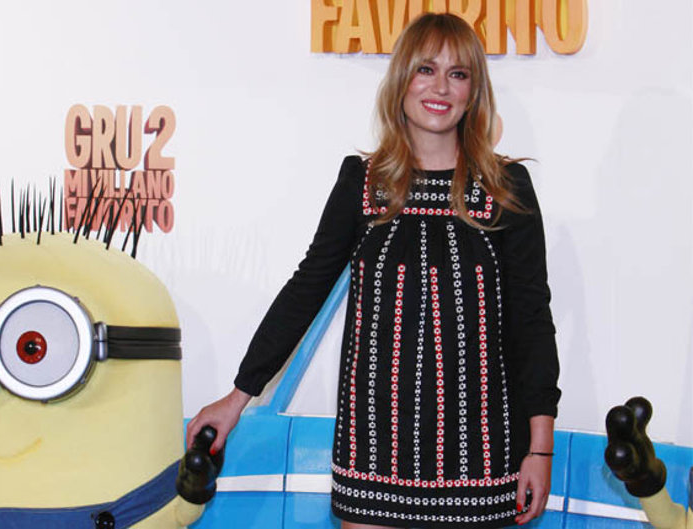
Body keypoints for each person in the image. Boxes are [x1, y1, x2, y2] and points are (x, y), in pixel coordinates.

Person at [187, 12, 560, 529]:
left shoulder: (506, 188)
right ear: (401, 79)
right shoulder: (359, 183)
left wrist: (540, 449)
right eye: (426, 69)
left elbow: (532, 321)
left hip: (482, 452)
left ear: (474, 92)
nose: (440, 87)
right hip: (374, 451)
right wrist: (238, 397)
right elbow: (306, 289)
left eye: (458, 74)